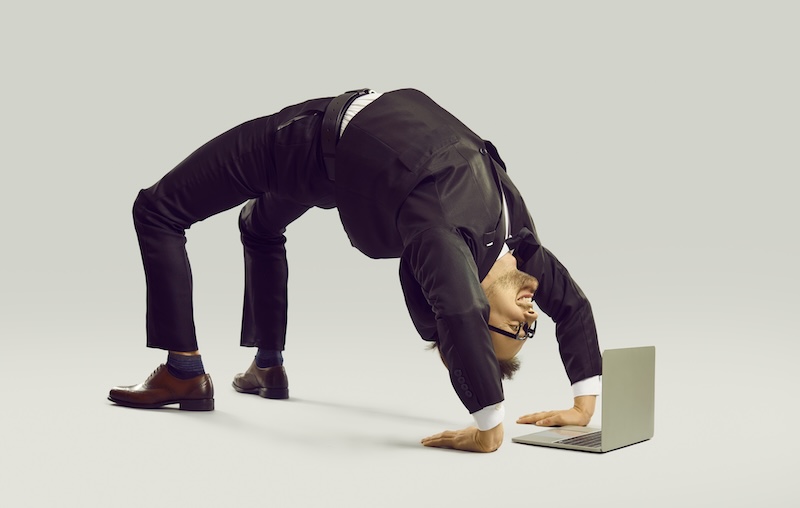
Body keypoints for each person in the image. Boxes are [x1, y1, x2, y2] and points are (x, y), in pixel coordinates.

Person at [108, 88, 602, 453]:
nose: (529, 316)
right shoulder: (518, 248)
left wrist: (489, 423)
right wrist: (584, 404)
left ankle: (183, 371)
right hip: (344, 170)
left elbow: (458, 306)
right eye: (529, 329)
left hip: (302, 147)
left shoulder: (443, 235)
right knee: (259, 225)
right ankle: (267, 365)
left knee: (157, 210)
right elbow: (573, 307)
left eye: (512, 329)